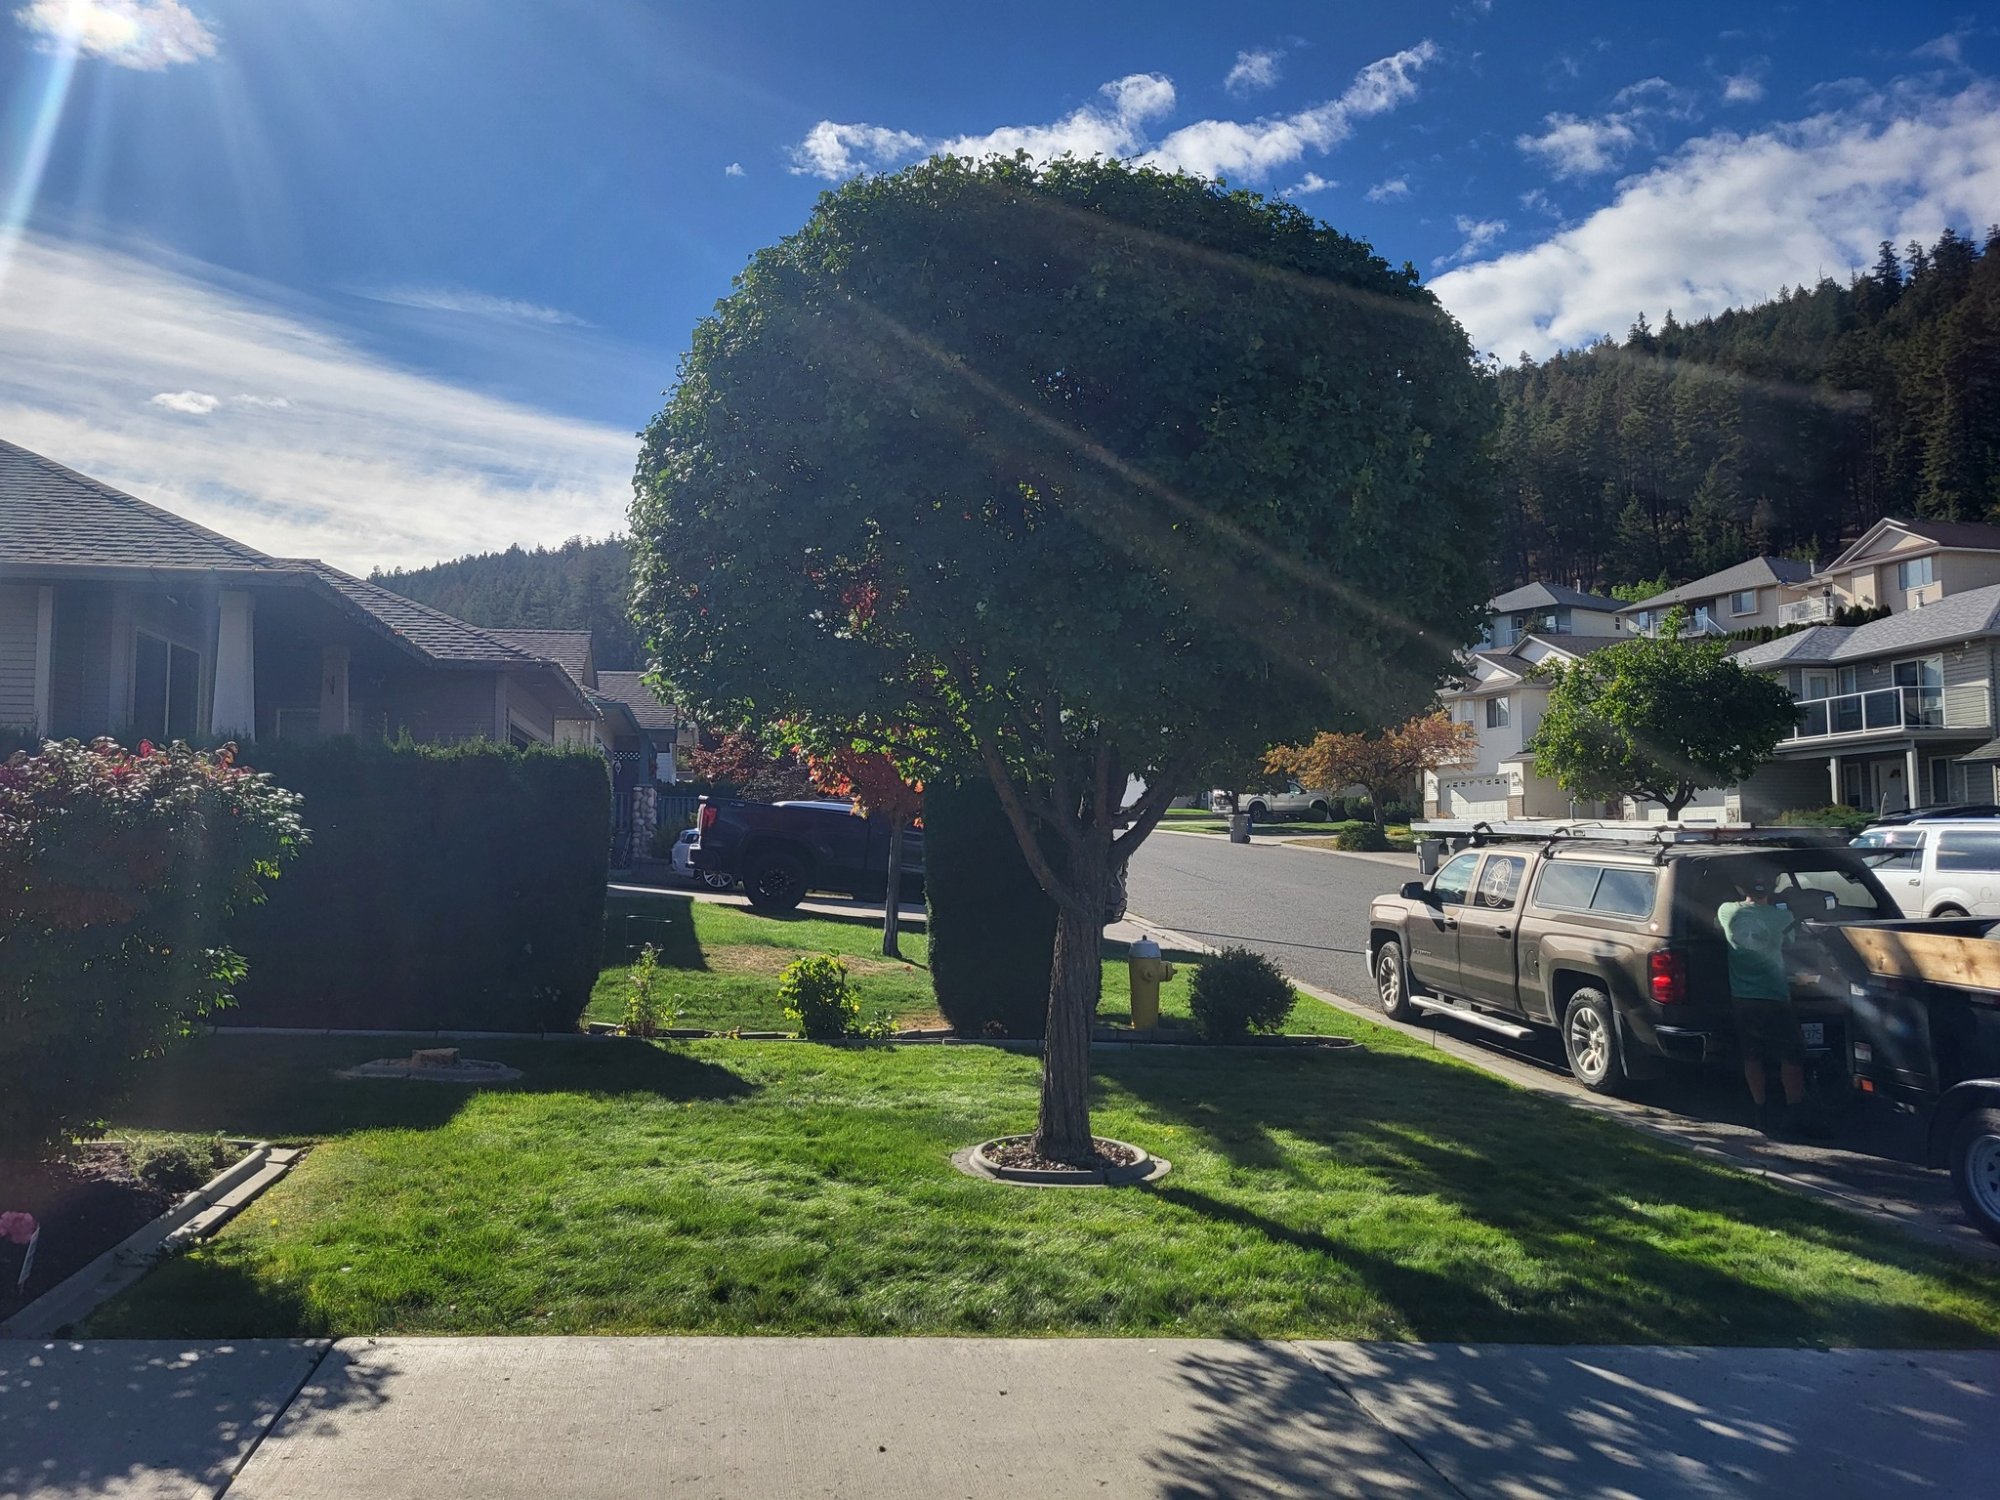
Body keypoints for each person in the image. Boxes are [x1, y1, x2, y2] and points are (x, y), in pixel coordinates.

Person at [1718, 873, 1813, 1136]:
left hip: (1743, 997)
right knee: (1791, 1055)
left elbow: (1719, 921)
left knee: (1752, 1055)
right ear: (1772, 890)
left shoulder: (1727, 912)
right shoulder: (1782, 918)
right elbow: (1793, 941)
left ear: (1741, 888)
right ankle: (1794, 1109)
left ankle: (1761, 1110)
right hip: (1775, 996)